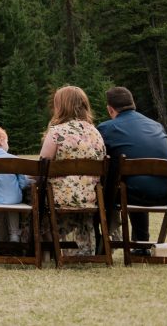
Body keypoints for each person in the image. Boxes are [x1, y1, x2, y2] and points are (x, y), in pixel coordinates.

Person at [96, 86, 167, 253]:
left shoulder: (107, 128)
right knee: (134, 178)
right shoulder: (156, 125)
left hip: (131, 192)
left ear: (110, 109)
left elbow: (99, 158)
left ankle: (101, 242)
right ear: (133, 104)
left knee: (108, 185)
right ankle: (141, 244)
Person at [39, 85, 106, 256]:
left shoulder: (56, 133)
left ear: (60, 106)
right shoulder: (95, 132)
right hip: (91, 197)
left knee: (26, 194)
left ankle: (32, 246)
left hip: (60, 197)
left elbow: (42, 167)